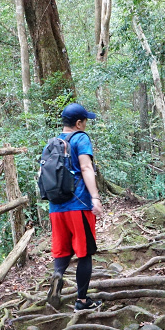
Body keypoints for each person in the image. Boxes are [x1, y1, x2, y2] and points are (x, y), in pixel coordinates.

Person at [46, 103, 103, 311]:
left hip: (56, 208)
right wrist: (95, 198)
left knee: (62, 251)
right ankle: (82, 300)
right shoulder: (81, 138)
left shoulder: (52, 143)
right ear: (79, 123)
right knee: (84, 252)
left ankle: (58, 275)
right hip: (78, 206)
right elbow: (86, 167)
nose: (86, 124)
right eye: (85, 121)